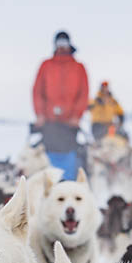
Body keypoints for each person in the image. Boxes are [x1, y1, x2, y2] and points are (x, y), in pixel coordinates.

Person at [32, 30, 89, 179]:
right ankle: (48, 187)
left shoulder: (79, 67)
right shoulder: (46, 65)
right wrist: (40, 114)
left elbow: (83, 94)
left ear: (70, 44)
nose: (62, 47)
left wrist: (77, 116)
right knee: (48, 154)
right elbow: (38, 91)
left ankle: (69, 185)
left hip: (69, 124)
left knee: (70, 156)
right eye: (59, 43)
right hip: (49, 122)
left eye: (64, 43)